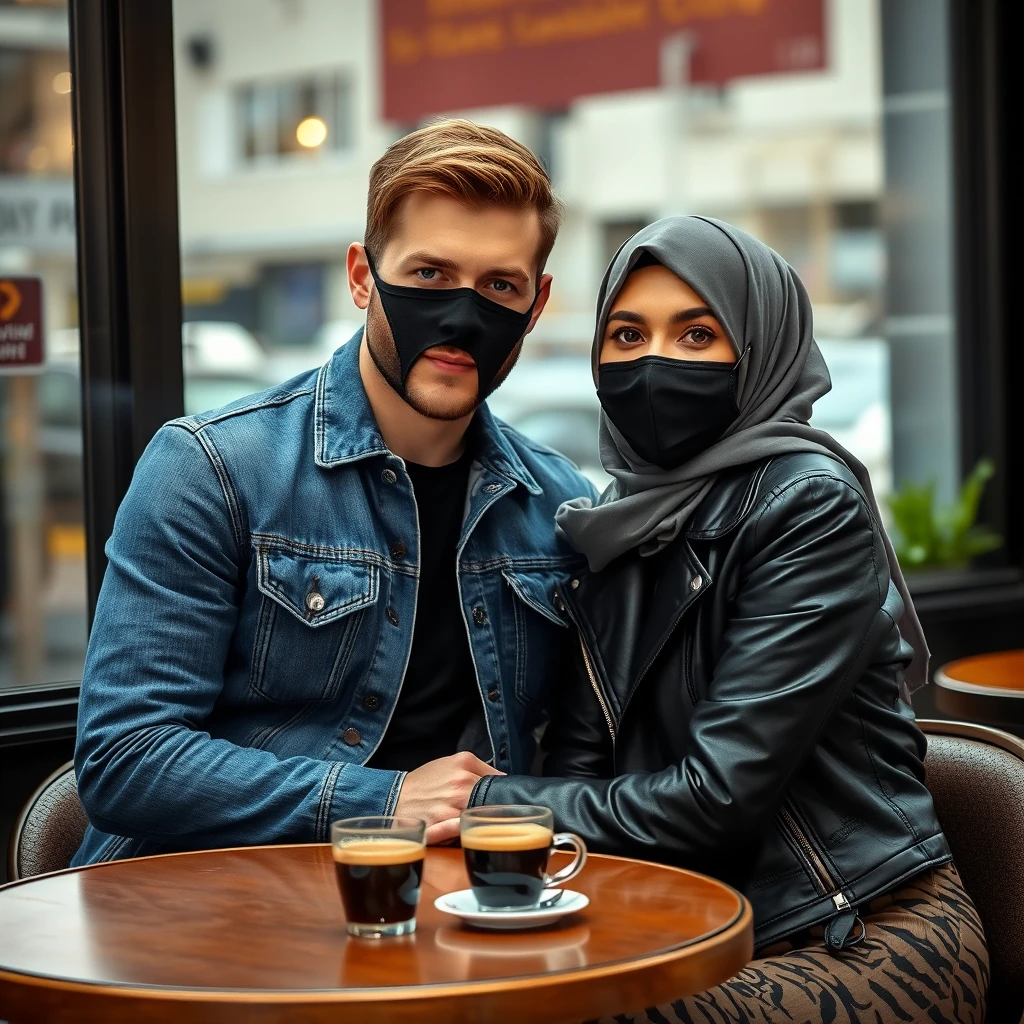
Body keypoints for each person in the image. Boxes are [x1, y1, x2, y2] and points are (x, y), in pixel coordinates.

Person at [470, 216, 989, 1021]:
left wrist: (480, 803)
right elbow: (579, 776)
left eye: (697, 334)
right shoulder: (615, 526)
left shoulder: (805, 503)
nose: (653, 362)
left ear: (758, 347)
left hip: (857, 933)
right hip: (678, 922)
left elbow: (715, 800)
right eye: (628, 333)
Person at [71, 119, 595, 866]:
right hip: (204, 907)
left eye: (499, 286)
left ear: (535, 306)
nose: (461, 314)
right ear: (361, 277)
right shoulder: (211, 467)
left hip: (452, 908)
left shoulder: (553, 500)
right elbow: (126, 761)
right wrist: (382, 802)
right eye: (429, 275)